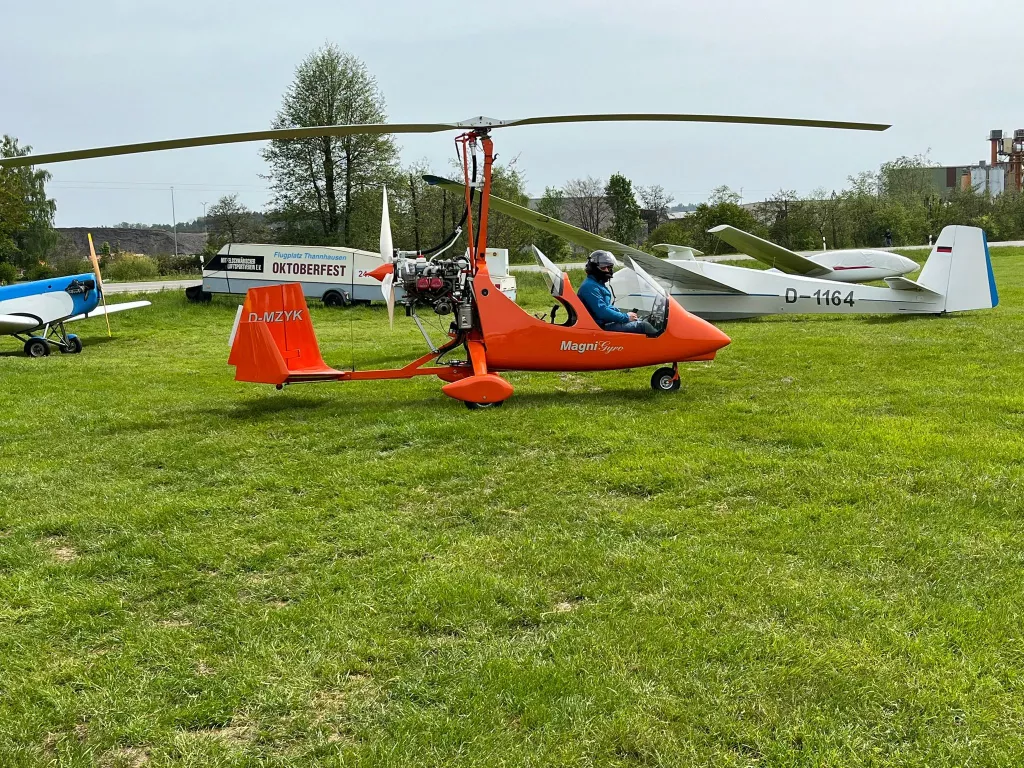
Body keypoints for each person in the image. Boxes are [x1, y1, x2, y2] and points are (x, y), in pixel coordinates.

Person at [577, 250, 656, 334]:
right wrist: (626, 317)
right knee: (643, 326)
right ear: (593, 268)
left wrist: (624, 314)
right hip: (598, 327)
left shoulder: (597, 283)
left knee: (643, 320)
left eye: (609, 267)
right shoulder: (590, 287)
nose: (607, 271)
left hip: (602, 323)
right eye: (603, 268)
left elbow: (606, 307)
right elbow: (602, 312)